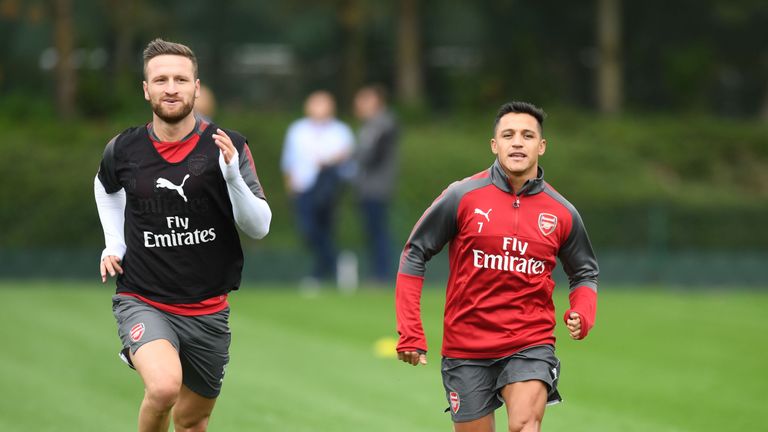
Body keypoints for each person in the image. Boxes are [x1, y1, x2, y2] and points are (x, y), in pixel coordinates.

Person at [94, 38, 271, 432]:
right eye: (160, 80)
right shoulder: (123, 149)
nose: (170, 87)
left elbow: (259, 226)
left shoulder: (229, 146)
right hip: (143, 297)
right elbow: (104, 187)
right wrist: (114, 243)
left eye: (179, 79)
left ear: (196, 86)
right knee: (163, 389)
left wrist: (231, 178)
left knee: (192, 421)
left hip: (208, 309)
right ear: (146, 89)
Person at [394, 101, 599, 432]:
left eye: (527, 135)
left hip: (530, 342)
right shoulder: (461, 196)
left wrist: (584, 311)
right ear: (495, 144)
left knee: (524, 426)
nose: (517, 142)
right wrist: (410, 332)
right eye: (508, 134)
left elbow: (585, 271)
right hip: (466, 346)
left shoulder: (562, 212)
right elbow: (414, 253)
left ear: (541, 146)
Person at [280, 90, 354, 283]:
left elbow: (347, 161)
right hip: (303, 188)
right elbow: (289, 160)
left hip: (328, 190)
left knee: (326, 229)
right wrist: (290, 186)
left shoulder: (341, 131)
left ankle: (320, 273)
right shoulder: (297, 130)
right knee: (309, 230)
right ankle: (335, 263)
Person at [352, 84, 399, 283]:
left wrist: (352, 156)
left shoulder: (384, 124)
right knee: (373, 232)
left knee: (379, 233)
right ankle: (378, 273)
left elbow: (372, 156)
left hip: (377, 188)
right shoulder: (369, 125)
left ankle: (382, 275)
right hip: (367, 188)